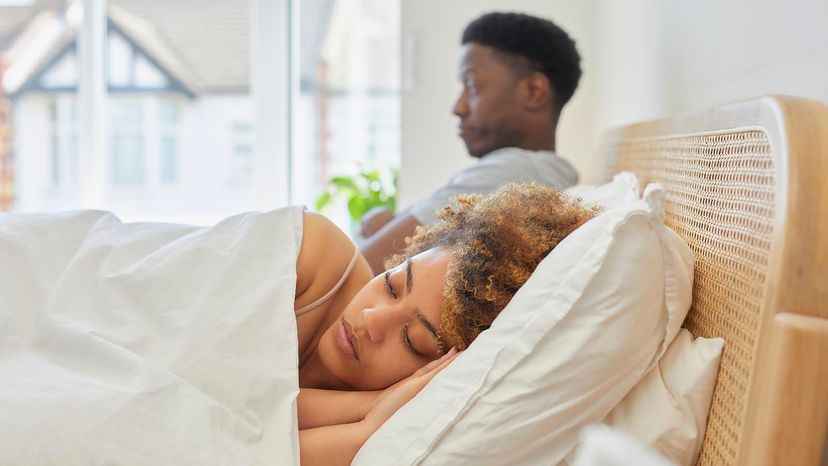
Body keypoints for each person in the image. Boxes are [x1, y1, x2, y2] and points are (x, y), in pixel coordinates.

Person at [296, 182, 598, 465]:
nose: (372, 319)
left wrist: (369, 426)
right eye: (392, 285)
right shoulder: (308, 256)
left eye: (411, 339)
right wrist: (370, 408)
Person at [357, 12, 583, 274]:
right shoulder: (548, 172)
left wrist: (370, 233)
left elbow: (355, 269)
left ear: (533, 92)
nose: (458, 107)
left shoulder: (511, 174)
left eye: (473, 86)